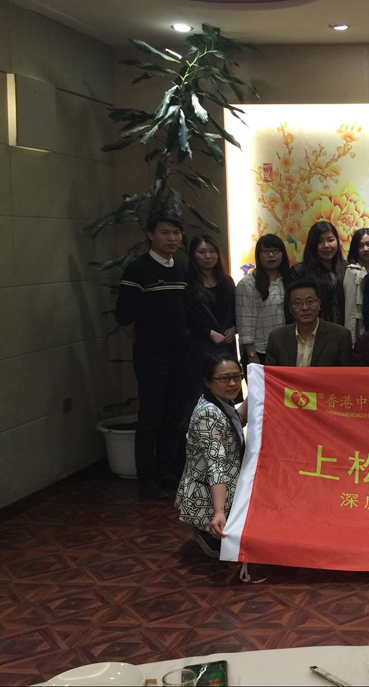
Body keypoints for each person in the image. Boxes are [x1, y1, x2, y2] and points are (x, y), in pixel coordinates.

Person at [115, 210, 190, 500]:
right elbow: (125, 318)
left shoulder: (181, 269)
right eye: (164, 232)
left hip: (180, 355)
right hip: (151, 357)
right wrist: (147, 342)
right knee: (151, 416)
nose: (172, 238)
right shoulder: (138, 270)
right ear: (150, 235)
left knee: (173, 415)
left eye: (176, 233)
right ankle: (147, 479)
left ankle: (167, 471)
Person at [175, 353, 248, 559]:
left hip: (227, 480)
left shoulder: (220, 401)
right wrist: (219, 512)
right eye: (224, 378)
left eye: (236, 376)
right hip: (207, 494)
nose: (232, 383)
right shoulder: (208, 414)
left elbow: (236, 420)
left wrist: (262, 391)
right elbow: (216, 466)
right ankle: (207, 528)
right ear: (208, 381)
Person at [184, 235, 238, 411]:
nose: (208, 256)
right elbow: (185, 318)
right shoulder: (188, 284)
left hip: (226, 346)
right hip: (201, 348)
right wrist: (208, 332)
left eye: (212, 251)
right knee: (202, 394)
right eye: (202, 252)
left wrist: (234, 328)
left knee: (228, 393)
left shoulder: (227, 281)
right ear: (193, 256)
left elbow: (236, 311)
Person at [265, 280, 353, 367]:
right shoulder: (277, 337)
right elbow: (270, 373)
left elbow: (345, 373)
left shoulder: (340, 336)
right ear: (290, 308)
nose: (305, 308)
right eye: (297, 303)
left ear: (319, 304)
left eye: (310, 302)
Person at [235, 234, 292, 368]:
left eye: (275, 251)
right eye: (266, 251)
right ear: (258, 255)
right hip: (260, 351)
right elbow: (245, 323)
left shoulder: (289, 280)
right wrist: (251, 354)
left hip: (288, 350)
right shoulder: (248, 284)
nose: (271, 255)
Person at [290, 221, 347, 326]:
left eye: (330, 240)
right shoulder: (300, 271)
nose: (326, 245)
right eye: (319, 241)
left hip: (345, 330)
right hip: (313, 330)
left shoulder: (348, 268)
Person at [344, 228, 369, 343]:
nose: (365, 249)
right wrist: (351, 341)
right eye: (360, 246)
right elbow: (350, 310)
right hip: (363, 328)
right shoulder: (352, 271)